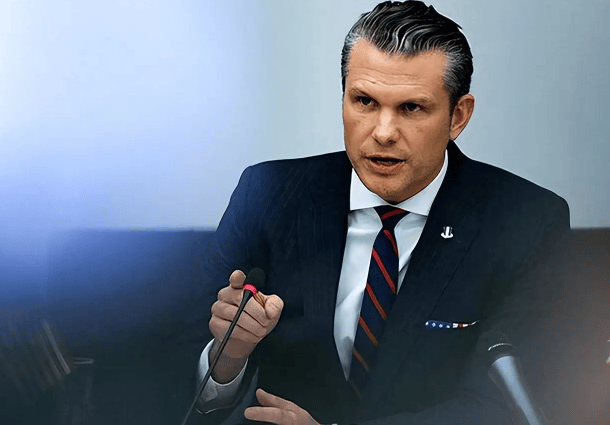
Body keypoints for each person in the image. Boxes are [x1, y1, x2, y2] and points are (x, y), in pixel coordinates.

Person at [176, 1, 570, 424]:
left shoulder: (526, 221)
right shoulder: (270, 194)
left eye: (411, 108)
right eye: (364, 101)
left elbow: (505, 406)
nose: (383, 133)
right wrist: (228, 357)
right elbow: (173, 382)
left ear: (458, 116)